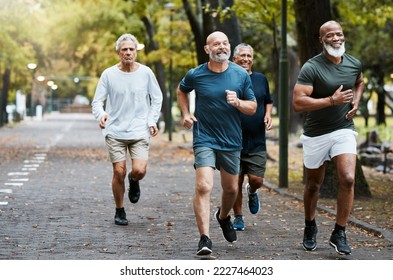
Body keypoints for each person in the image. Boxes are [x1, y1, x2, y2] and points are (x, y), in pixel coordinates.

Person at [176, 31, 257, 256]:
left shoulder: (240, 75)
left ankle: (223, 217)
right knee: (204, 186)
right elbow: (182, 91)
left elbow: (253, 106)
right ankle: (205, 238)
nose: (221, 47)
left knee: (231, 189)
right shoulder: (196, 74)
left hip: (231, 140)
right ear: (207, 49)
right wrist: (185, 113)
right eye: (216, 44)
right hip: (205, 138)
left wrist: (238, 102)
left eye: (225, 43)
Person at [293, 21, 364, 255]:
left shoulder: (353, 63)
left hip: (343, 129)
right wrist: (331, 101)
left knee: (348, 178)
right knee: (314, 185)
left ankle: (339, 232)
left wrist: (356, 101)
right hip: (316, 133)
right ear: (321, 40)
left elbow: (359, 81)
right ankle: (310, 225)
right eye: (330, 35)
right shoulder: (311, 67)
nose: (336, 38)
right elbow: (298, 102)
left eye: (340, 34)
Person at [91, 34, 163, 226]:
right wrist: (101, 115)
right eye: (124, 49)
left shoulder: (146, 73)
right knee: (119, 171)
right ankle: (119, 210)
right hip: (115, 130)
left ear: (136, 51)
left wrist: (152, 120)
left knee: (139, 170)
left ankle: (134, 179)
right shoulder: (109, 74)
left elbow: (157, 98)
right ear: (118, 52)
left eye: (131, 49)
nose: (128, 52)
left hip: (140, 130)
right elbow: (97, 101)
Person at [231, 43, 273, 231]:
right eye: (242, 55)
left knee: (256, 179)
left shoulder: (261, 79)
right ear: (234, 59)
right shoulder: (228, 79)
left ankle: (253, 191)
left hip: (257, 140)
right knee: (235, 182)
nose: (246, 59)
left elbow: (268, 101)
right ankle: (238, 217)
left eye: (249, 56)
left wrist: (268, 114)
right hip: (232, 140)